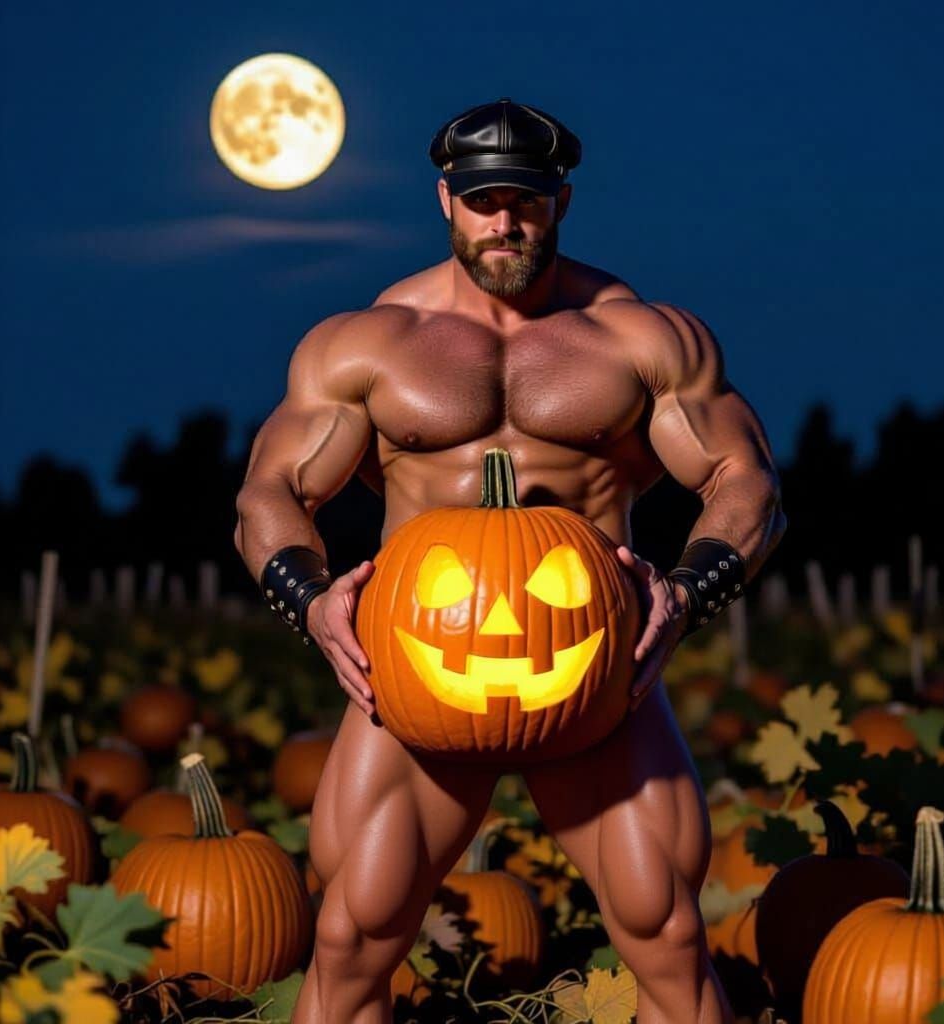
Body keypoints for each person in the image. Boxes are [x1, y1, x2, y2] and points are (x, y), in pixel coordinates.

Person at [234, 97, 787, 1024]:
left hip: (595, 668)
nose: (505, 221)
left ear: (560, 201)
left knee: (669, 934)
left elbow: (748, 481)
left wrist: (686, 596)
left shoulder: (641, 338)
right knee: (352, 939)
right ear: (445, 201)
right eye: (484, 199)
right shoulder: (368, 343)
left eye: (525, 200)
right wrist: (312, 598)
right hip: (414, 673)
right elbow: (268, 493)